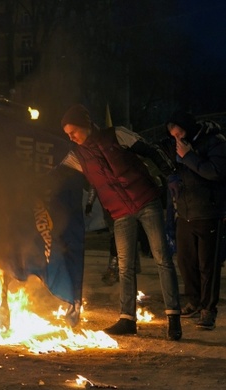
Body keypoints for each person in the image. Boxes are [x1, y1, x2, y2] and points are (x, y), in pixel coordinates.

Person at [59, 104, 182, 340]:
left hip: (146, 200)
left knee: (162, 259)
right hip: (119, 212)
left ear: (86, 125)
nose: (71, 137)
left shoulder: (116, 135)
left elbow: (151, 151)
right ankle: (127, 320)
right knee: (125, 266)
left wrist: (171, 174)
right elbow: (57, 175)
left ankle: (173, 318)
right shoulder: (76, 156)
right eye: (67, 134)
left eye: (73, 131)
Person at [164, 110, 226, 330]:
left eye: (179, 133)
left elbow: (216, 173)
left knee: (207, 265)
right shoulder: (180, 147)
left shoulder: (215, 142)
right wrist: (172, 177)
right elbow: (176, 171)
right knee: (186, 261)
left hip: (208, 212)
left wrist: (189, 156)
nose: (177, 139)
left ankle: (208, 309)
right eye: (173, 136)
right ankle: (194, 301)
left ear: (188, 128)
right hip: (186, 213)